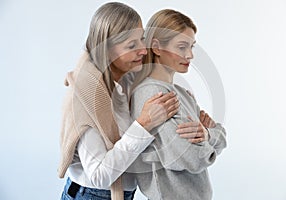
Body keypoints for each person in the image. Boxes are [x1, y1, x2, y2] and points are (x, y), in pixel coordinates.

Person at [58, 2, 214, 200]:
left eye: (141, 39)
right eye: (132, 45)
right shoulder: (86, 98)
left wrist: (205, 129)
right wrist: (143, 125)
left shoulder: (127, 82)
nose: (143, 49)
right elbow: (99, 176)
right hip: (91, 195)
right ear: (107, 50)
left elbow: (159, 73)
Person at [129, 9, 227, 200]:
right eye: (182, 47)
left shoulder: (182, 94)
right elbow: (193, 157)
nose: (190, 55)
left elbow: (221, 135)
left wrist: (207, 134)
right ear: (156, 47)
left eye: (192, 47)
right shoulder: (151, 94)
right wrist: (213, 138)